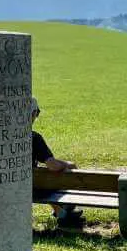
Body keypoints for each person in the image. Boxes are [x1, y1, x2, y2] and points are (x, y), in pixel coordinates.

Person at [30, 97, 84, 227]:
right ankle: (66, 212)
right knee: (54, 181)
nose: (36, 117)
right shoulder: (34, 138)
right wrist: (68, 164)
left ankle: (62, 214)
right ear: (32, 114)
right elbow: (52, 165)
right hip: (34, 189)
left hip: (21, 186)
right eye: (37, 113)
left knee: (41, 182)